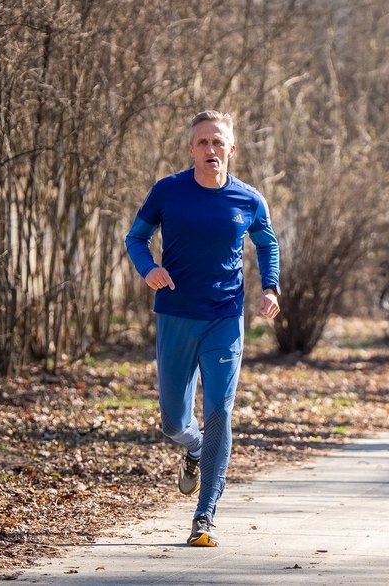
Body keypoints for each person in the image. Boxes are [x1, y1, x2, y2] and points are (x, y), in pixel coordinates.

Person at [125, 110, 281, 546]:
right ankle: (192, 447)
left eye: (218, 143)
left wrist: (271, 288)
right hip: (175, 314)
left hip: (225, 318)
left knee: (219, 413)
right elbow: (135, 238)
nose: (210, 150)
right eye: (202, 143)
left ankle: (204, 516)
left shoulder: (248, 200)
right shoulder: (168, 191)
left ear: (232, 149)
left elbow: (267, 243)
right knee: (173, 422)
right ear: (191, 149)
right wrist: (148, 268)